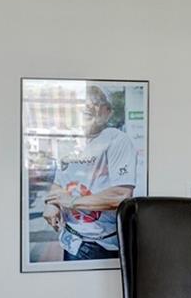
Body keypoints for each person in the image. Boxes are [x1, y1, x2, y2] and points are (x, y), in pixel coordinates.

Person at [42, 84, 139, 261]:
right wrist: (52, 204)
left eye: (96, 101)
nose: (87, 105)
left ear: (107, 112)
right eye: (82, 100)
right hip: (71, 241)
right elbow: (59, 184)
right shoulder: (68, 141)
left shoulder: (117, 140)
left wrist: (72, 202)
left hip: (102, 245)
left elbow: (121, 196)